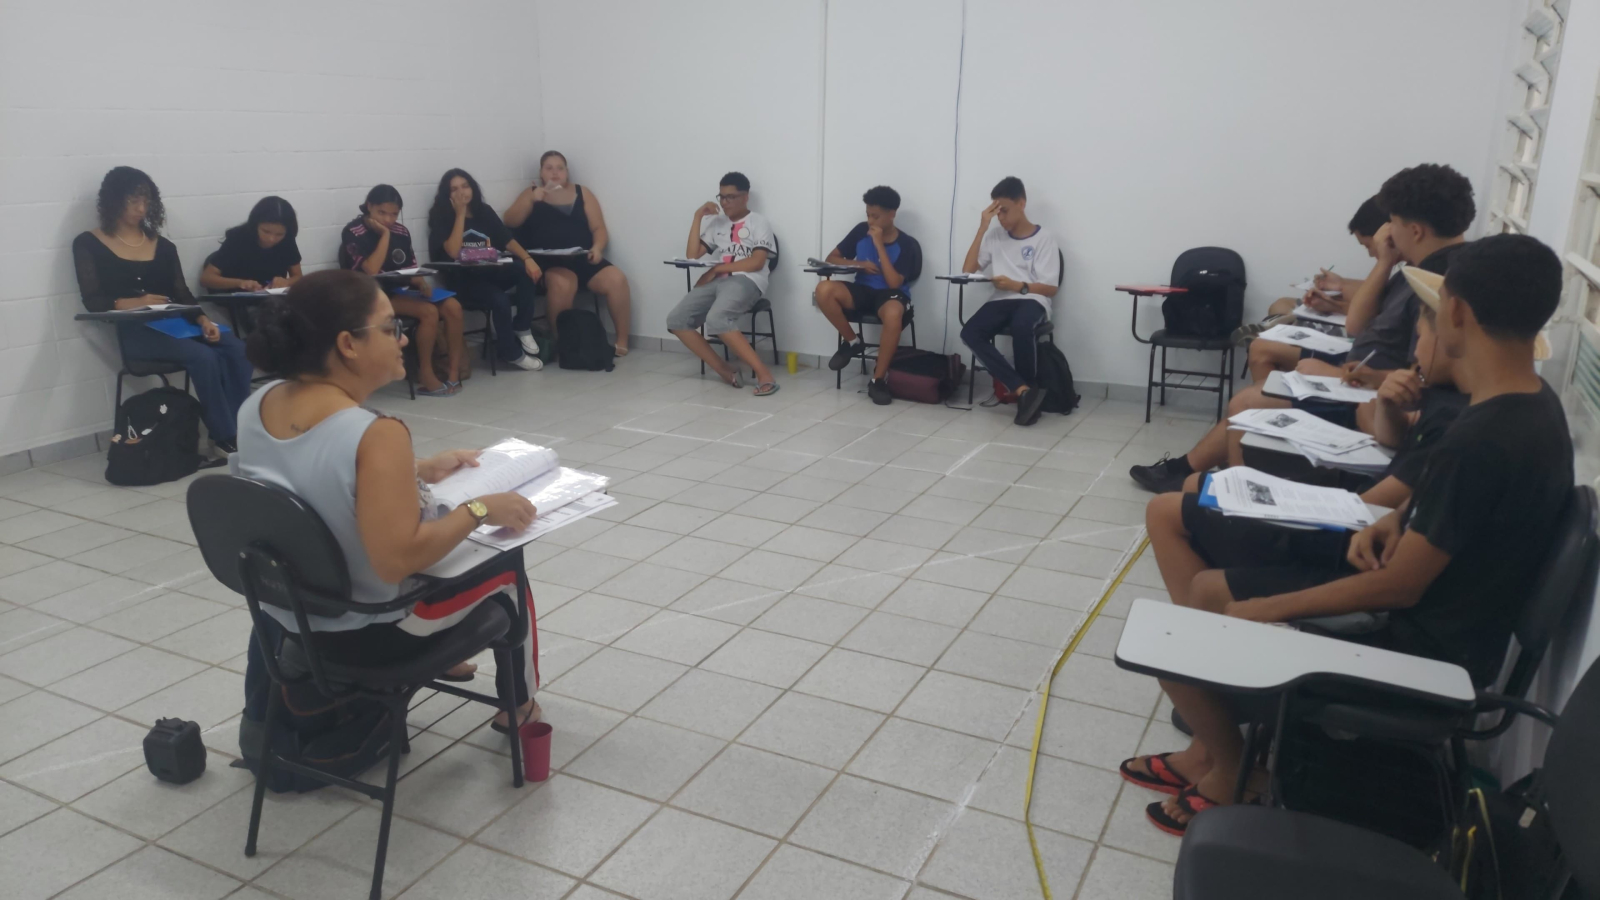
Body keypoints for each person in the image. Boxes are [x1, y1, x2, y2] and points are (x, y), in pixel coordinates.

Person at [1122, 234, 1571, 836]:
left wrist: (1269, 608)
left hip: (1422, 644)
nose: (1423, 330)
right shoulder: (1532, 407)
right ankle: (1220, 755)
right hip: (1453, 626)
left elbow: (1400, 588)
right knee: (1206, 593)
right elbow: (1455, 518)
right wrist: (1397, 520)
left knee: (1181, 630)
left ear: (1458, 313)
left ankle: (1232, 771)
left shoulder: (1482, 440)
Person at [236, 268, 542, 730]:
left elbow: (313, 474)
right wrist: (479, 510)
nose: (403, 338)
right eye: (389, 327)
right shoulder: (376, 433)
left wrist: (415, 469)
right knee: (508, 571)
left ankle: (448, 657)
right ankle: (520, 706)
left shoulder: (258, 405)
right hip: (369, 630)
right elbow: (398, 560)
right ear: (348, 344)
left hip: (290, 613)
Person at [1129, 164, 1475, 493]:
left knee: (1247, 404)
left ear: (1414, 231)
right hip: (1360, 382)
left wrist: (1341, 374)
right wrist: (1384, 264)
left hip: (1367, 400)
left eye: (1393, 223)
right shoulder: (1418, 270)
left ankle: (1220, 485)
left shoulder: (1437, 284)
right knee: (1262, 380)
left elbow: (1421, 376)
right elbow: (1364, 324)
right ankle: (1196, 470)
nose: (1387, 232)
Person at [72, 166, 253, 455]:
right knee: (204, 356)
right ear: (113, 201)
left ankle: (238, 426)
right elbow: (92, 299)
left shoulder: (163, 245)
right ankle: (224, 435)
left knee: (237, 349)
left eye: (146, 202)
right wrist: (130, 302)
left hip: (178, 323)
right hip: (138, 332)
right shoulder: (88, 244)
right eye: (133, 201)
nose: (141, 209)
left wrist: (203, 319)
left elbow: (182, 293)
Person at [1240, 196, 1387, 380]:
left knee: (1260, 348)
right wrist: (1340, 285)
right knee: (1281, 304)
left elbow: (1363, 319)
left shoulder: (1393, 267)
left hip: (1359, 350)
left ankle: (1275, 330)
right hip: (1360, 332)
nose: (1370, 253)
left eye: (1368, 246)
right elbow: (1381, 294)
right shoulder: (1398, 271)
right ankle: (1277, 327)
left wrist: (1336, 305)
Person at [339, 185, 466, 396]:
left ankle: (453, 372)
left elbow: (410, 268)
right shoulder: (354, 232)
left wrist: (422, 283)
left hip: (399, 290)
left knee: (453, 307)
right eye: (382, 213)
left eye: (394, 214)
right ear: (369, 206)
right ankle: (425, 373)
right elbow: (371, 270)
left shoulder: (402, 232)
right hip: (369, 295)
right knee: (428, 312)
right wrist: (385, 236)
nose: (388, 219)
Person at [503, 151, 633, 356]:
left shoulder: (583, 193)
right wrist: (532, 200)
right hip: (547, 263)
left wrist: (598, 247)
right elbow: (509, 221)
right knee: (564, 282)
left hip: (582, 257)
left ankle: (621, 342)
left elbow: (599, 228)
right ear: (541, 172)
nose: (555, 173)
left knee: (617, 279)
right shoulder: (531, 193)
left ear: (567, 171)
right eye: (549, 168)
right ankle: (563, 343)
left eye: (560, 168)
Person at [958, 176, 1061, 425]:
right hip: (1001, 299)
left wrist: (1017, 285)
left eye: (1004, 211)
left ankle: (1027, 392)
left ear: (1021, 204)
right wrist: (982, 228)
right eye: (997, 213)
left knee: (1021, 326)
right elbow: (968, 270)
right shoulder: (994, 236)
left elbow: (1050, 288)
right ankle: (1024, 391)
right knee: (970, 332)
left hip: (1032, 298)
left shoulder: (1044, 238)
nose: (1000, 218)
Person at [666, 172, 780, 396]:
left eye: (731, 197)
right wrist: (697, 217)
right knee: (676, 320)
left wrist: (716, 269)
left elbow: (757, 262)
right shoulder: (717, 223)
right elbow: (692, 254)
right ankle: (725, 370)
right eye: (722, 197)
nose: (725, 202)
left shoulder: (759, 222)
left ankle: (764, 375)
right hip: (719, 281)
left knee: (717, 318)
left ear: (745, 197)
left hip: (747, 280)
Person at [427, 168, 543, 371]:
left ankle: (522, 326)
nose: (461, 192)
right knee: (499, 299)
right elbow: (453, 251)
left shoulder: (484, 211)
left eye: (465, 186)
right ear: (447, 194)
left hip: (489, 272)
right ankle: (510, 353)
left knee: (523, 269)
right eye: (454, 189)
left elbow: (506, 239)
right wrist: (460, 214)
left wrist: (528, 259)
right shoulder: (441, 216)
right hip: (462, 280)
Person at [816, 186, 923, 405]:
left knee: (893, 315)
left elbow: (894, 283)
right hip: (863, 290)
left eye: (876, 216)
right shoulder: (860, 231)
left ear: (892, 214)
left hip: (891, 295)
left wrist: (879, 244)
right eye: (868, 215)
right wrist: (859, 264)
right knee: (823, 290)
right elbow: (831, 258)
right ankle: (852, 341)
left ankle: (878, 380)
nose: (870, 221)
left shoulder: (906, 243)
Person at [201, 196, 304, 293]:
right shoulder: (238, 237)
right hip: (236, 297)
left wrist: (286, 282)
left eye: (279, 234)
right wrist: (240, 283)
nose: (271, 239)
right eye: (266, 231)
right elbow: (206, 279)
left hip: (270, 298)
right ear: (256, 225)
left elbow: (298, 277)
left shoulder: (287, 239)